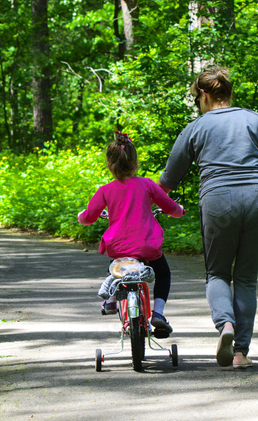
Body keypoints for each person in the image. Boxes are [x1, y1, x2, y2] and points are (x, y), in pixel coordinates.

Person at [158, 66, 258, 368]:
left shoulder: (196, 128)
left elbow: (169, 181)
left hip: (218, 200)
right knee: (246, 278)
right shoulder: (255, 119)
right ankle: (240, 353)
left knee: (217, 273)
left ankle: (225, 325)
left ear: (204, 95)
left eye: (196, 98)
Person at [78, 131, 185, 334]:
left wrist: (81, 216)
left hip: (118, 246)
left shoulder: (105, 190)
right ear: (135, 161)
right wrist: (180, 211)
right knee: (163, 273)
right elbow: (171, 208)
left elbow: (89, 217)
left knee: (114, 267)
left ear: (110, 164)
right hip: (146, 246)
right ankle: (159, 313)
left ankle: (111, 301)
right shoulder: (147, 185)